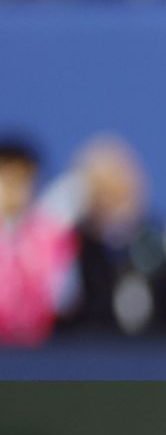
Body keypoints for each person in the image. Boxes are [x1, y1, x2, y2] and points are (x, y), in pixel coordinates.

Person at [60, 135, 166, 338]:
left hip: (155, 349)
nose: (112, 198)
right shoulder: (76, 243)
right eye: (103, 190)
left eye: (119, 187)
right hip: (92, 351)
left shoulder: (152, 236)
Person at [0, 137, 77, 348]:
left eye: (24, 179)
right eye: (8, 178)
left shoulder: (53, 237)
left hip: (39, 355)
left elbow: (66, 301)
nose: (16, 190)